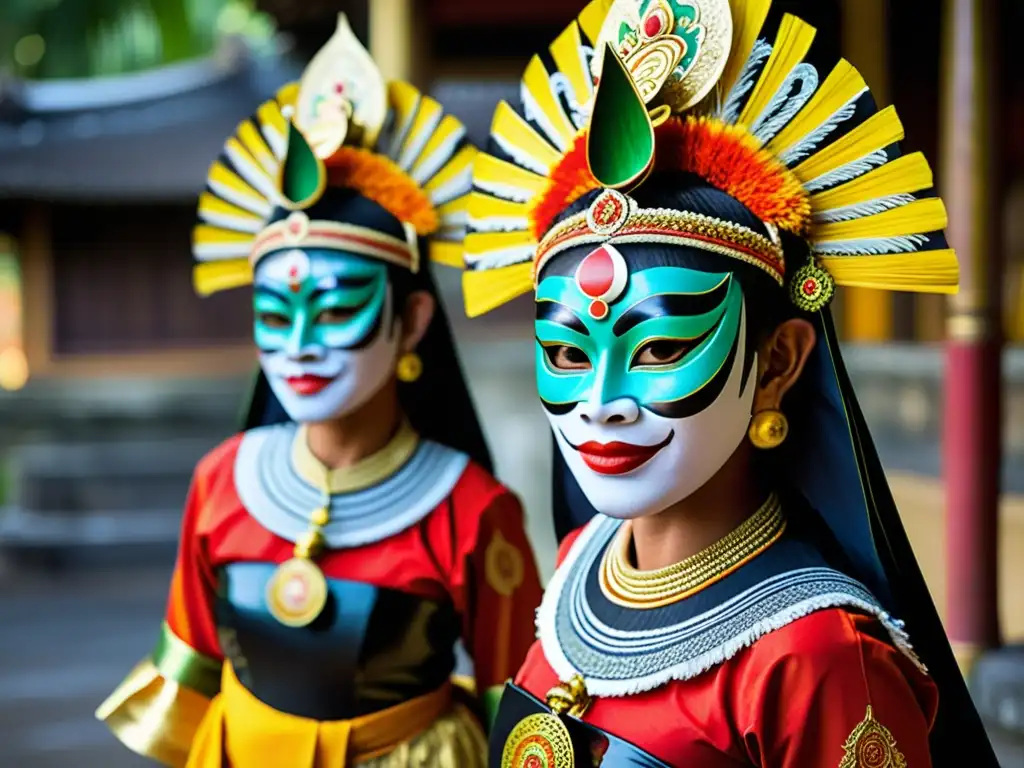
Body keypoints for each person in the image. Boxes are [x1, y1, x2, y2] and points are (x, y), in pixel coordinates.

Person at [461, 0, 1000, 766]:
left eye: (658, 349)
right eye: (571, 355)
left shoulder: (817, 655)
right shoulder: (581, 561)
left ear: (777, 361)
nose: (601, 403)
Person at [96, 15, 542, 768]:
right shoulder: (219, 486)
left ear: (413, 321)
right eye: (275, 312)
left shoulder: (474, 512)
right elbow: (189, 677)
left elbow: (518, 714)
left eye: (335, 308)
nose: (298, 341)